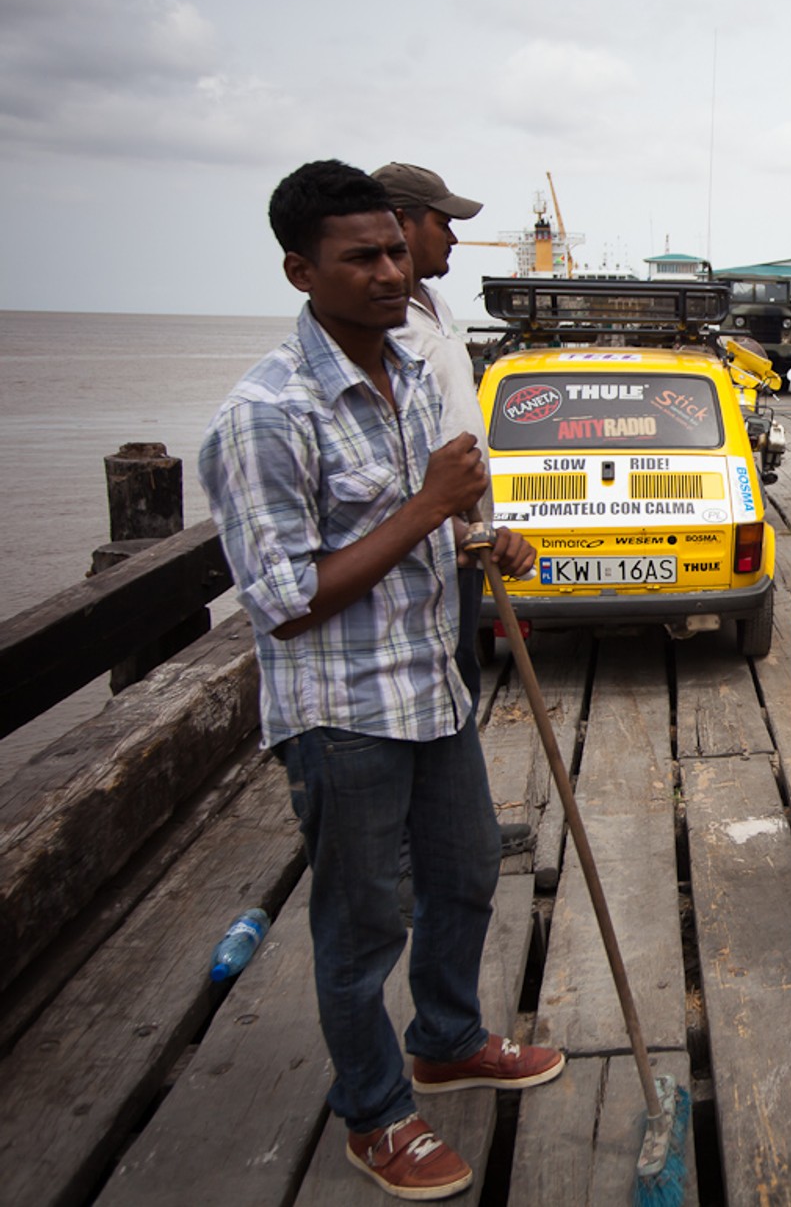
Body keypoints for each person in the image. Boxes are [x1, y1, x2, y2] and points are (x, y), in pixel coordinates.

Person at [198, 160, 561, 1203]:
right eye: (361, 258)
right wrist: (429, 507)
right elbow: (281, 597)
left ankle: (444, 1038)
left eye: (396, 250)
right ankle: (375, 1113)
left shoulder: (406, 373)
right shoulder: (265, 413)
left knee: (464, 874)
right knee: (362, 926)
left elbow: (408, 536)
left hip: (427, 686)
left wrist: (478, 543)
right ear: (299, 270)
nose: (390, 272)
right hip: (340, 712)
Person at [372, 162, 487, 706]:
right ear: (400, 221)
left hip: (463, 526)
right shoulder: (386, 327)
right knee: (437, 673)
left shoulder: (434, 306)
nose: (453, 236)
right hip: (428, 530)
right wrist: (449, 523)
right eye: (443, 223)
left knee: (461, 665)